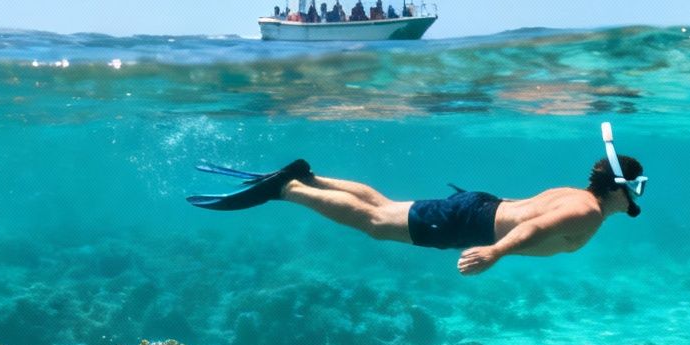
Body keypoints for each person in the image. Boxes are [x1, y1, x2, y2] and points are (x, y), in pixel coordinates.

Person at [186, 124, 646, 276]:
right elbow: (536, 229)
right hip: (475, 227)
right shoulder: (586, 211)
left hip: (479, 207)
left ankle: (308, 175)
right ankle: (289, 189)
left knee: (384, 205)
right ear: (620, 187)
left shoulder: (575, 192)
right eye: (637, 188)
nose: (638, 198)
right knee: (374, 222)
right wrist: (495, 253)